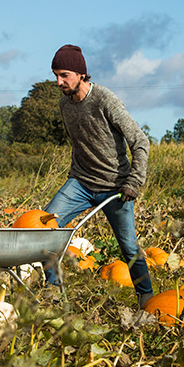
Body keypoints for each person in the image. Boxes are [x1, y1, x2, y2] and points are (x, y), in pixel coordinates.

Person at [44, 44, 154, 309]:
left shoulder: (105, 100)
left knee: (129, 247)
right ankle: (55, 299)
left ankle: (147, 299)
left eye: (64, 75)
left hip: (116, 187)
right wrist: (74, 176)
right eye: (56, 75)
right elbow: (78, 143)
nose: (59, 82)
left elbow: (140, 141)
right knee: (44, 233)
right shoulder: (64, 105)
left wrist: (133, 181)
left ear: (81, 74)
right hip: (80, 183)